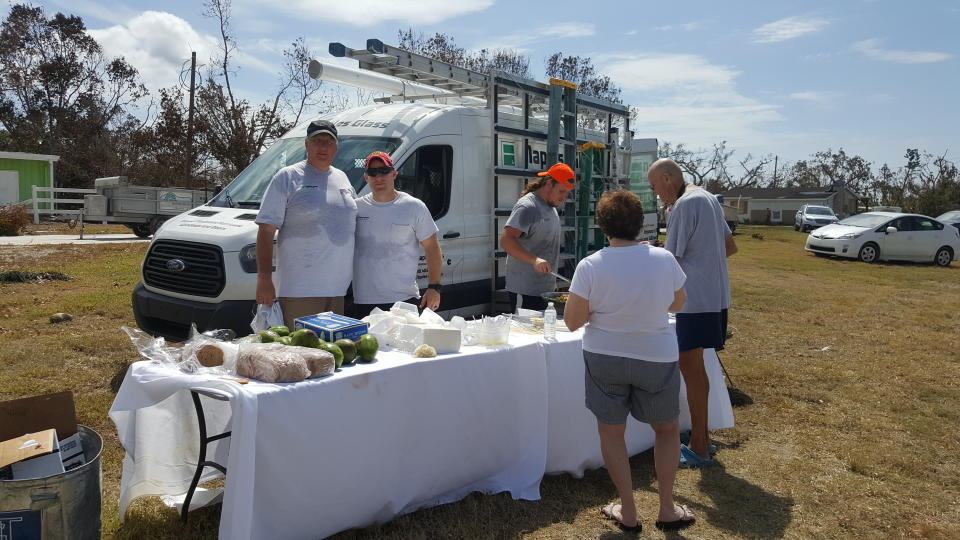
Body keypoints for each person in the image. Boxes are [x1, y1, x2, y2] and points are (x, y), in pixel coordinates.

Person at [564, 190, 695, 532]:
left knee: (611, 432)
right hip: (656, 355)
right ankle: (667, 507)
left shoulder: (590, 265)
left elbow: (572, 321)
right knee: (666, 430)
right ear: (640, 224)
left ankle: (628, 508)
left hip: (605, 355)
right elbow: (678, 303)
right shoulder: (664, 259)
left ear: (602, 225)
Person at [647, 158, 737, 467]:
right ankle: (703, 437)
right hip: (713, 296)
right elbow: (729, 247)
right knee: (696, 367)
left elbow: (669, 260)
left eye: (655, 186)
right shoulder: (708, 197)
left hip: (695, 301)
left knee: (691, 367)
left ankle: (699, 445)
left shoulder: (685, 204)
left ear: (669, 179)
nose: (656, 194)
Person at [254, 119, 358, 328]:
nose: (323, 147)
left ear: (336, 147)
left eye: (329, 142)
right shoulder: (288, 176)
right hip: (299, 291)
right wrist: (264, 280)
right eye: (317, 141)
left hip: (338, 291)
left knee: (330, 356)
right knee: (298, 355)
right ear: (306, 144)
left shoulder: (343, 178)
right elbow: (265, 231)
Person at [350, 151, 443, 318]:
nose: (379, 177)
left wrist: (434, 287)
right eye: (373, 173)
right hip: (364, 301)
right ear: (366, 177)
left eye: (384, 171)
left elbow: (432, 247)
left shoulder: (414, 207)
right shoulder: (355, 208)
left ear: (394, 173)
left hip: (404, 300)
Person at [500, 163, 573, 313]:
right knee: (523, 334)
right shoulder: (528, 207)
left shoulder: (550, 205)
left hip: (544, 290)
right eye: (562, 191)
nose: (564, 197)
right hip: (524, 290)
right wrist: (535, 260)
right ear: (548, 184)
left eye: (567, 193)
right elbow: (506, 241)